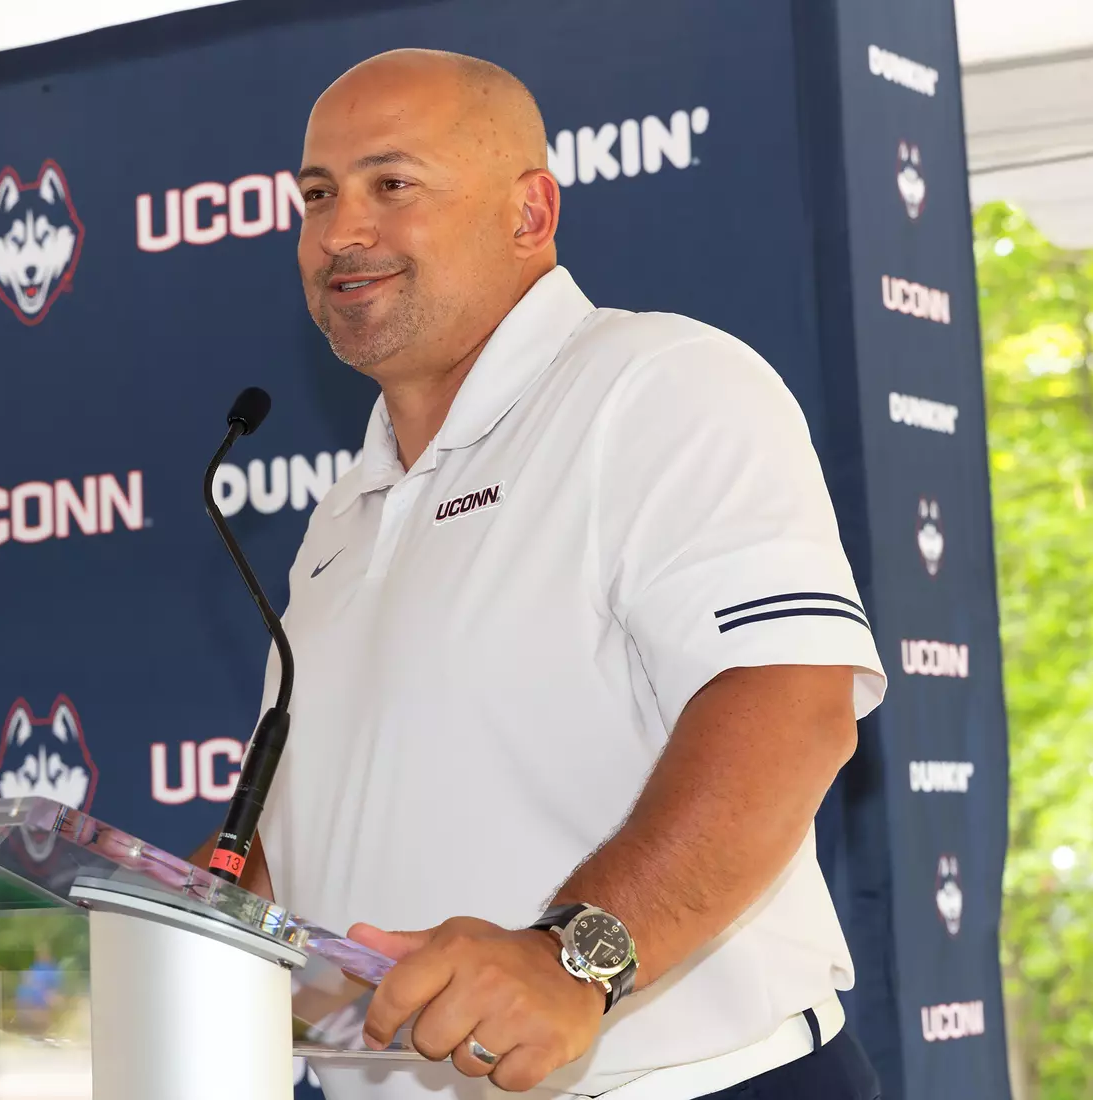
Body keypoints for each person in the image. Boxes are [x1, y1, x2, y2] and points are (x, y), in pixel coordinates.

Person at [208, 48, 887, 1099]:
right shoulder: (346, 508)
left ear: (530, 211)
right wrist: (172, 933)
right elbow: (315, 832)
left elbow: (794, 706)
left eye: (393, 184)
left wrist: (574, 957)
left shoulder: (657, 385)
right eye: (318, 195)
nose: (340, 231)